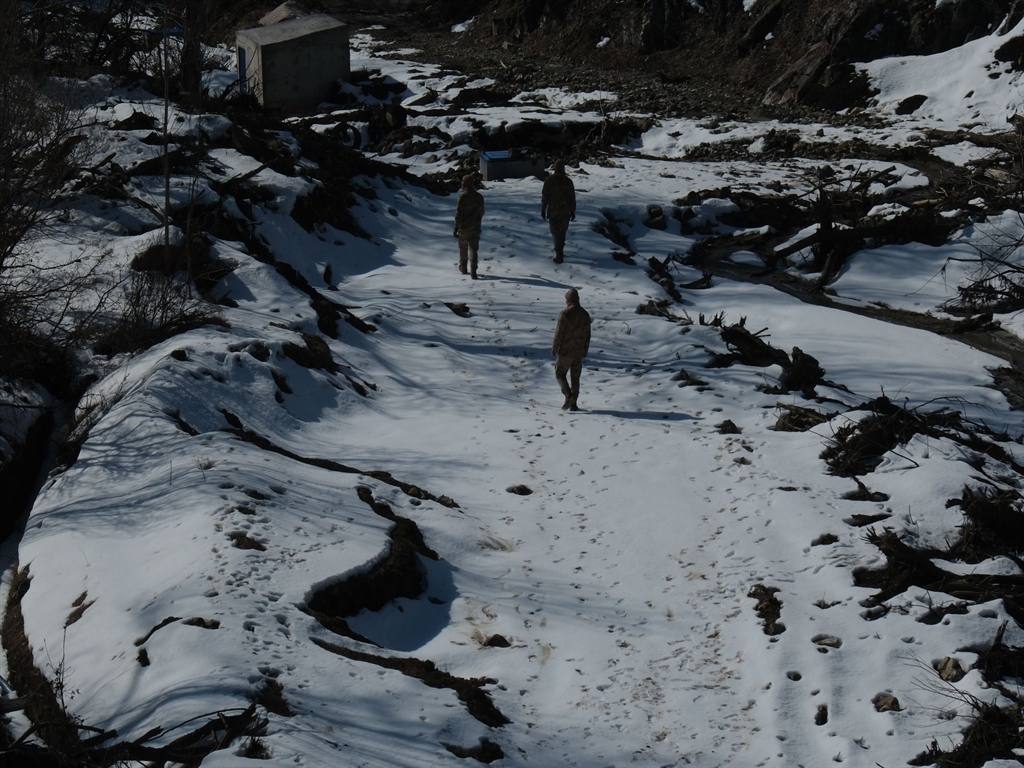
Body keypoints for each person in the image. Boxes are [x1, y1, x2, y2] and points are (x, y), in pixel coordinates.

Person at [551, 287, 592, 411]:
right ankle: (574, 403)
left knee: (560, 373)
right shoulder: (585, 314)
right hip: (579, 351)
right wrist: (585, 349)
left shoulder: (565, 314)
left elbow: (559, 333)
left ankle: (568, 396)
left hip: (566, 351)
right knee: (575, 376)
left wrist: (555, 347)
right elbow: (588, 334)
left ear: (568, 300)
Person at [541, 159, 576, 263]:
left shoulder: (549, 180)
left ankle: (558, 253)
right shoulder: (568, 181)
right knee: (562, 232)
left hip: (553, 211)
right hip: (565, 212)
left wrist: (543, 209)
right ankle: (560, 251)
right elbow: (572, 198)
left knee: (555, 232)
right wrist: (573, 211)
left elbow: (545, 196)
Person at [453, 174, 485, 278]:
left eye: (462, 181)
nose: (461, 183)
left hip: (463, 227)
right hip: (475, 227)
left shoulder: (462, 197)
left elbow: (458, 214)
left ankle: (463, 267)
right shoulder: (479, 197)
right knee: (473, 249)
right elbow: (482, 212)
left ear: (465, 183)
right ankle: (473, 270)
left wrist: (456, 227)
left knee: (463, 248)